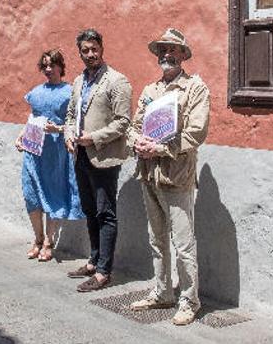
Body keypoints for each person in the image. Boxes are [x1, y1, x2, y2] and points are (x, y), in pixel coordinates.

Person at [127, 28, 210, 326]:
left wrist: (159, 148)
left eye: (173, 49)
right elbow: (134, 126)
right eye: (162, 49)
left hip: (177, 175)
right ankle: (162, 292)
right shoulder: (151, 90)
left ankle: (190, 299)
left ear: (183, 55)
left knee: (184, 244)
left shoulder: (195, 88)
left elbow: (196, 132)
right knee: (156, 239)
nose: (166, 53)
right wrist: (136, 141)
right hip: (148, 174)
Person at [64, 28, 132, 292]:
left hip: (104, 156)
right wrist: (69, 135)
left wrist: (95, 137)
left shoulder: (117, 81)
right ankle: (93, 260)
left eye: (94, 49)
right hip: (80, 155)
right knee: (89, 209)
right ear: (79, 53)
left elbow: (123, 122)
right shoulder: (79, 81)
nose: (90, 54)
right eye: (85, 50)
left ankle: (104, 272)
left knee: (105, 213)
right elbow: (71, 114)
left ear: (102, 49)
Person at [14, 49, 84, 262]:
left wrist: (60, 130)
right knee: (31, 194)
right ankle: (37, 238)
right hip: (33, 151)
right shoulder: (36, 91)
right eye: (44, 65)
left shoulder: (70, 92)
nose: (48, 69)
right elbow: (32, 117)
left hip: (55, 153)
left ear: (61, 67)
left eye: (52, 65)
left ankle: (48, 242)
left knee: (53, 194)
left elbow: (77, 123)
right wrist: (20, 136)